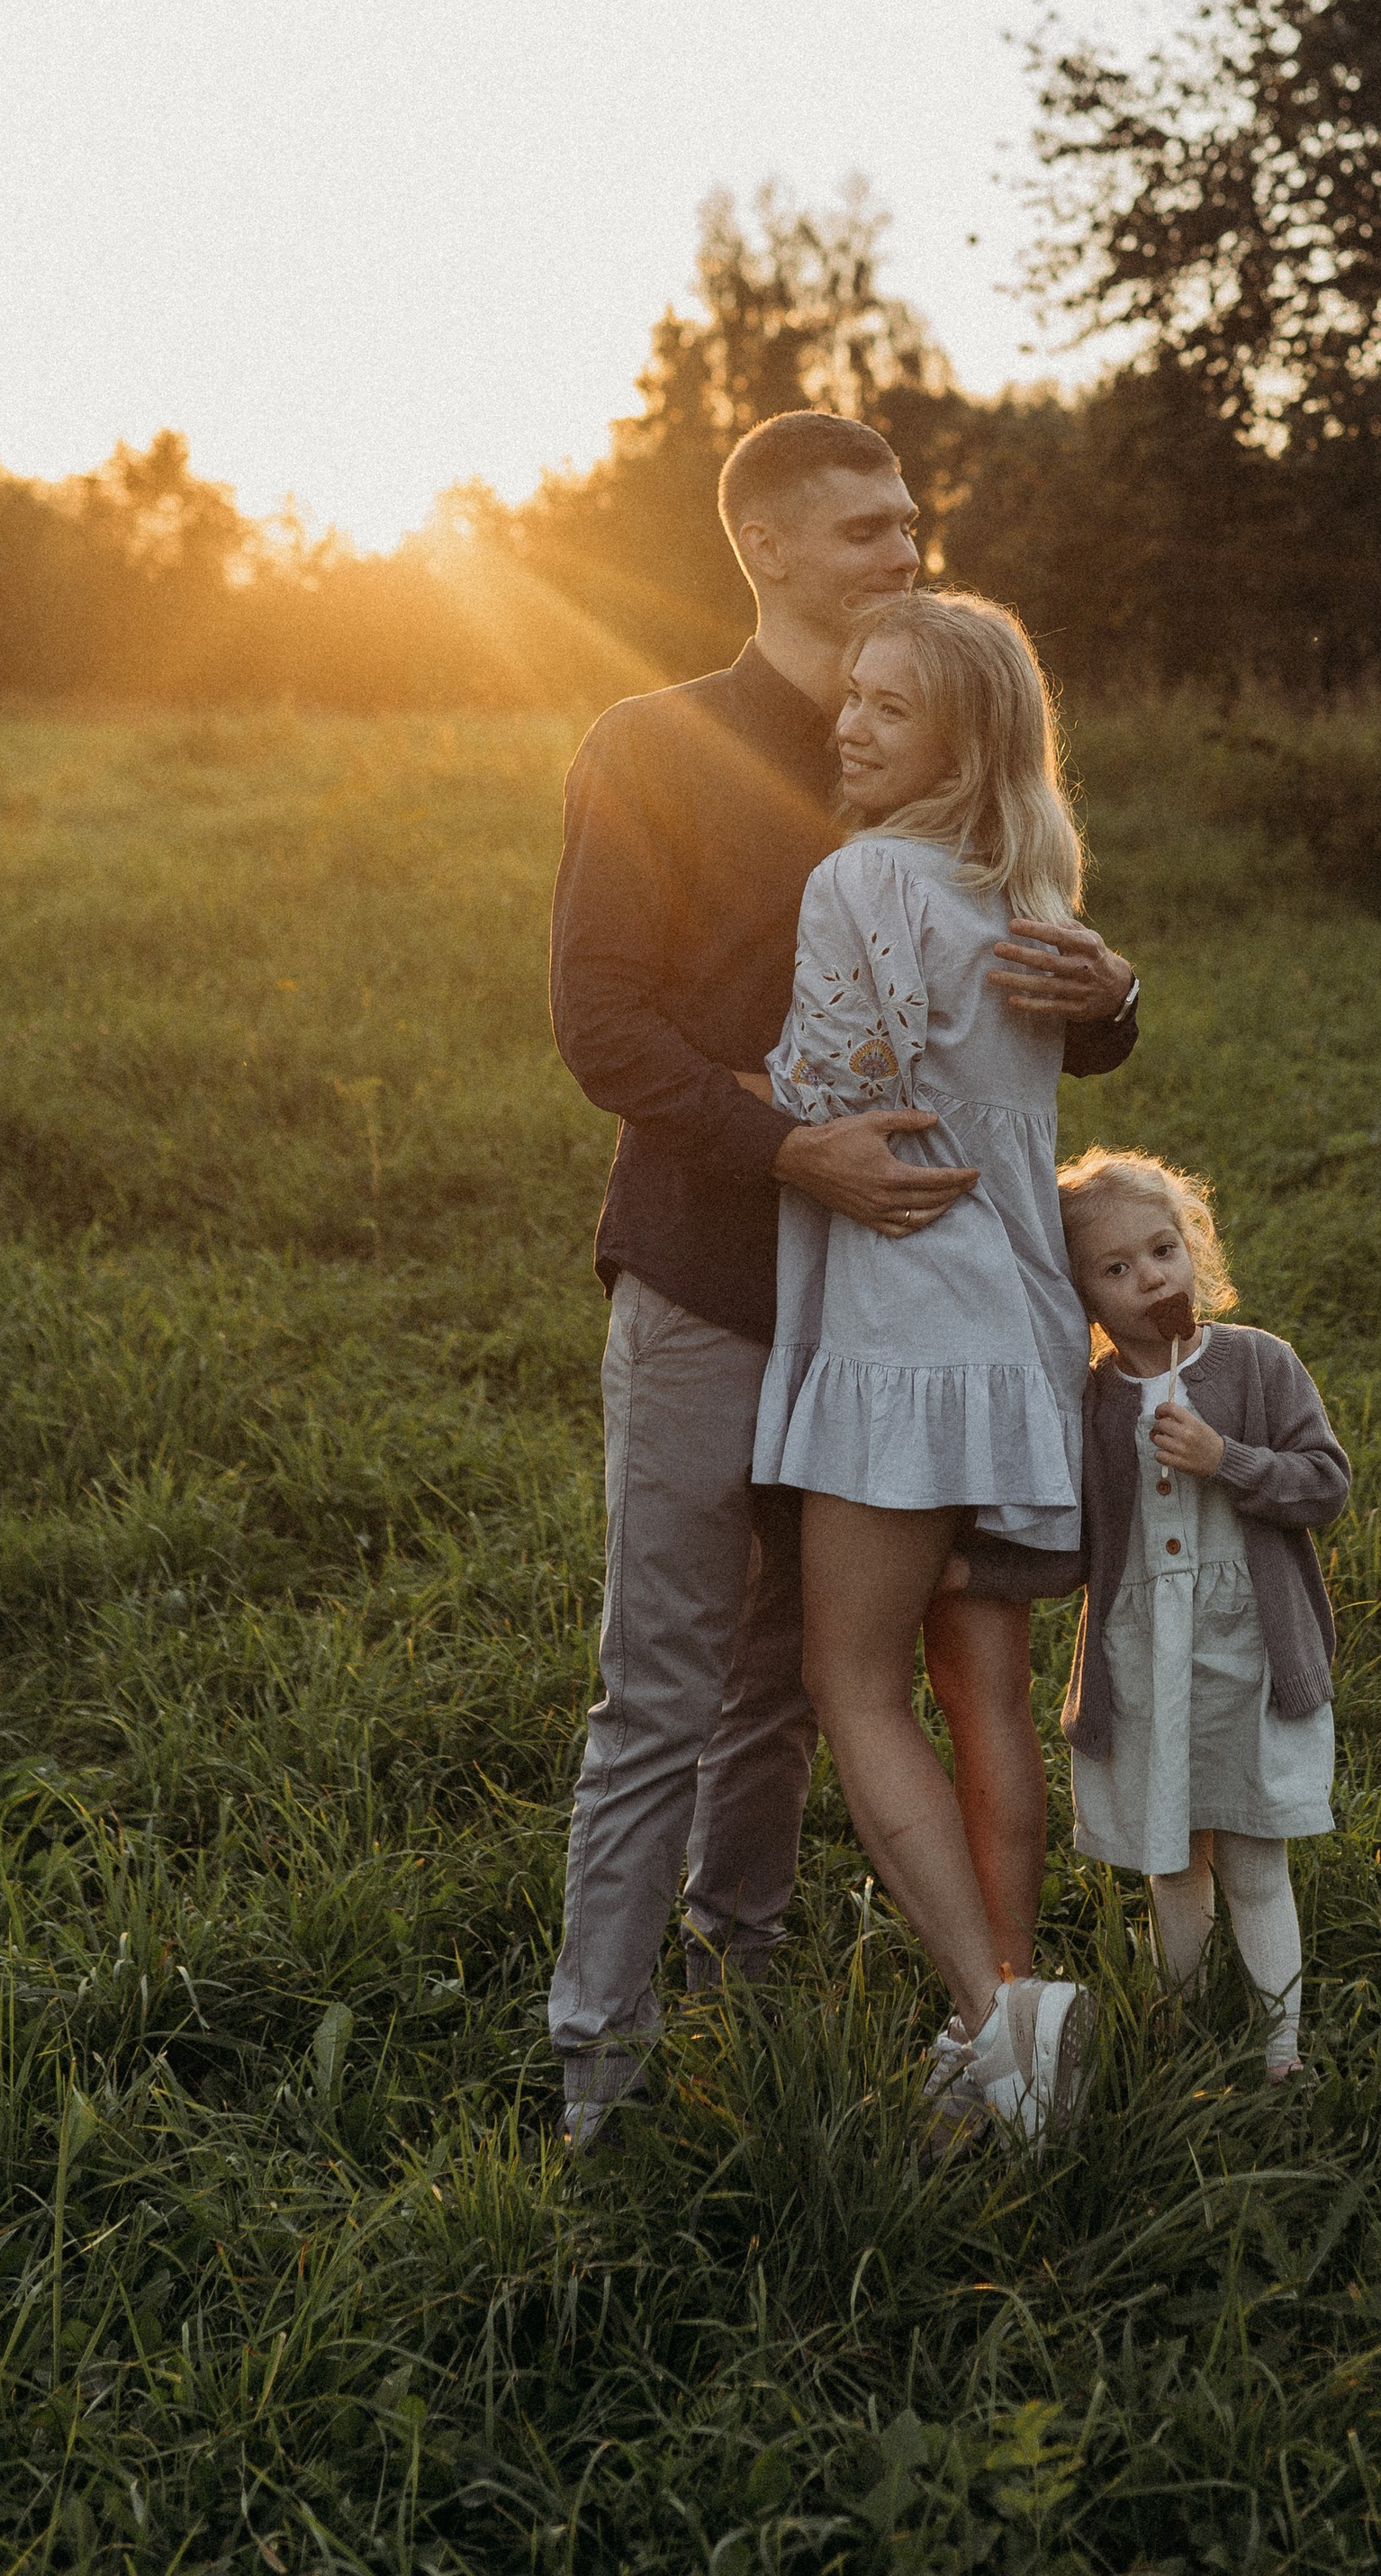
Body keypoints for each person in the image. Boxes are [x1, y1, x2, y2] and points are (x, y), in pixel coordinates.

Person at [546, 413, 1138, 2148]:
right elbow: (603, 1031)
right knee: (665, 1682)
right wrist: (791, 1146)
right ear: (771, 552)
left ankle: (753, 1988)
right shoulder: (651, 746)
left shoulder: (940, 747)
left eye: (909, 522)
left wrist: (1107, 996)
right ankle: (603, 2066)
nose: (906, 546)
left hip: (886, 1321)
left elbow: (1050, 1029)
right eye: (868, 528)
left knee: (789, 1687)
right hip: (717, 1280)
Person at [752, 590, 1102, 2144]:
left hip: (905, 1331)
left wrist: (738, 1088)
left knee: (850, 1679)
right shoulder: (1034, 894)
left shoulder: (859, 881)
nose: (852, 722)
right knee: (988, 1694)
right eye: (854, 696)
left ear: (964, 736)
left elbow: (824, 1092)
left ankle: (999, 2030)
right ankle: (1011, 2007)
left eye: (892, 708)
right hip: (1020, 1333)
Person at [1049, 1148, 1349, 2083]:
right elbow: (1074, 1537)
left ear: (1191, 1250)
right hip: (1144, 1666)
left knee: (1255, 1861)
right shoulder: (1090, 1402)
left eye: (1162, 1250)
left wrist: (1228, 1458)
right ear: (1082, 1296)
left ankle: (1280, 2051)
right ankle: (1173, 2031)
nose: (1149, 1277)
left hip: (1248, 1658)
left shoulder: (1257, 1363)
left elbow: (1323, 1486)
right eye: (1115, 1268)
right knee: (1170, 1865)